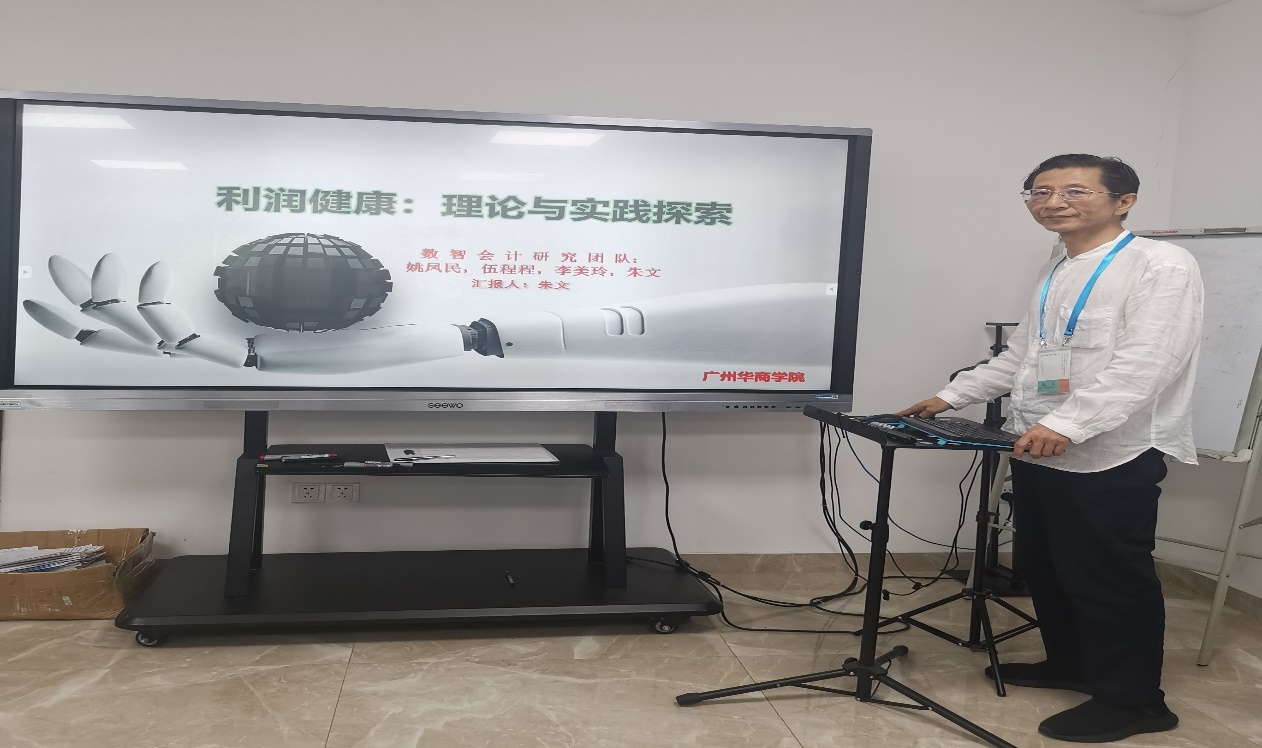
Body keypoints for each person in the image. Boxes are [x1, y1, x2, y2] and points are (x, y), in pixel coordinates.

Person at [900, 154, 1202, 743]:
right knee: (1047, 568)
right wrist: (948, 397)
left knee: (1108, 577)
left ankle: (1135, 702)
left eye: (1074, 190)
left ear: (1123, 202)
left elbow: (1149, 362)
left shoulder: (1161, 264)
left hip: (1110, 453)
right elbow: (1024, 357)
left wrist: (1070, 423)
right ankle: (1073, 664)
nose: (1053, 202)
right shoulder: (1057, 266)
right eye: (1040, 192)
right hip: (1037, 444)